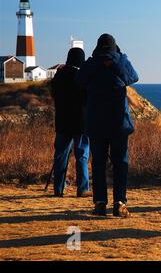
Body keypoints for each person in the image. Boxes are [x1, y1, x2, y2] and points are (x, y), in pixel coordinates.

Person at [76, 34, 139, 218]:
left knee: (98, 164)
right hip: (119, 123)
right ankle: (120, 203)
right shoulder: (120, 62)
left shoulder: (91, 64)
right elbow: (133, 77)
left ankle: (100, 203)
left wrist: (96, 63)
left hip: (96, 123)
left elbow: (79, 80)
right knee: (121, 164)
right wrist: (120, 59)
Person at [50, 47, 91, 198]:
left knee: (60, 154)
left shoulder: (59, 75)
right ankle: (83, 188)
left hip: (62, 121)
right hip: (81, 122)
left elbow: (53, 94)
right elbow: (88, 98)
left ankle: (58, 188)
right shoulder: (83, 76)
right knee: (82, 154)